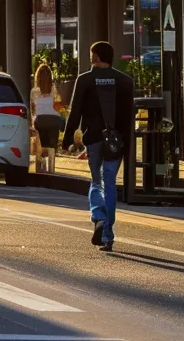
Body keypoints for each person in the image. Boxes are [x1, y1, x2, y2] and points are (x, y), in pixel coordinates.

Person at [61, 41, 134, 252]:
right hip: (116, 142)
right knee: (109, 183)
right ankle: (108, 234)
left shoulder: (85, 80)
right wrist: (127, 145)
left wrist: (67, 140)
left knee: (96, 182)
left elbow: (75, 112)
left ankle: (99, 217)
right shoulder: (125, 81)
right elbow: (129, 117)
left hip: (93, 140)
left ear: (95, 57)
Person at [31, 64, 66, 174]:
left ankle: (41, 167)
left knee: (42, 144)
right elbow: (59, 105)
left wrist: (33, 124)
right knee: (52, 145)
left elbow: (33, 110)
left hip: (40, 120)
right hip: (54, 121)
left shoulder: (34, 91)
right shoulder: (54, 90)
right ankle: (51, 168)